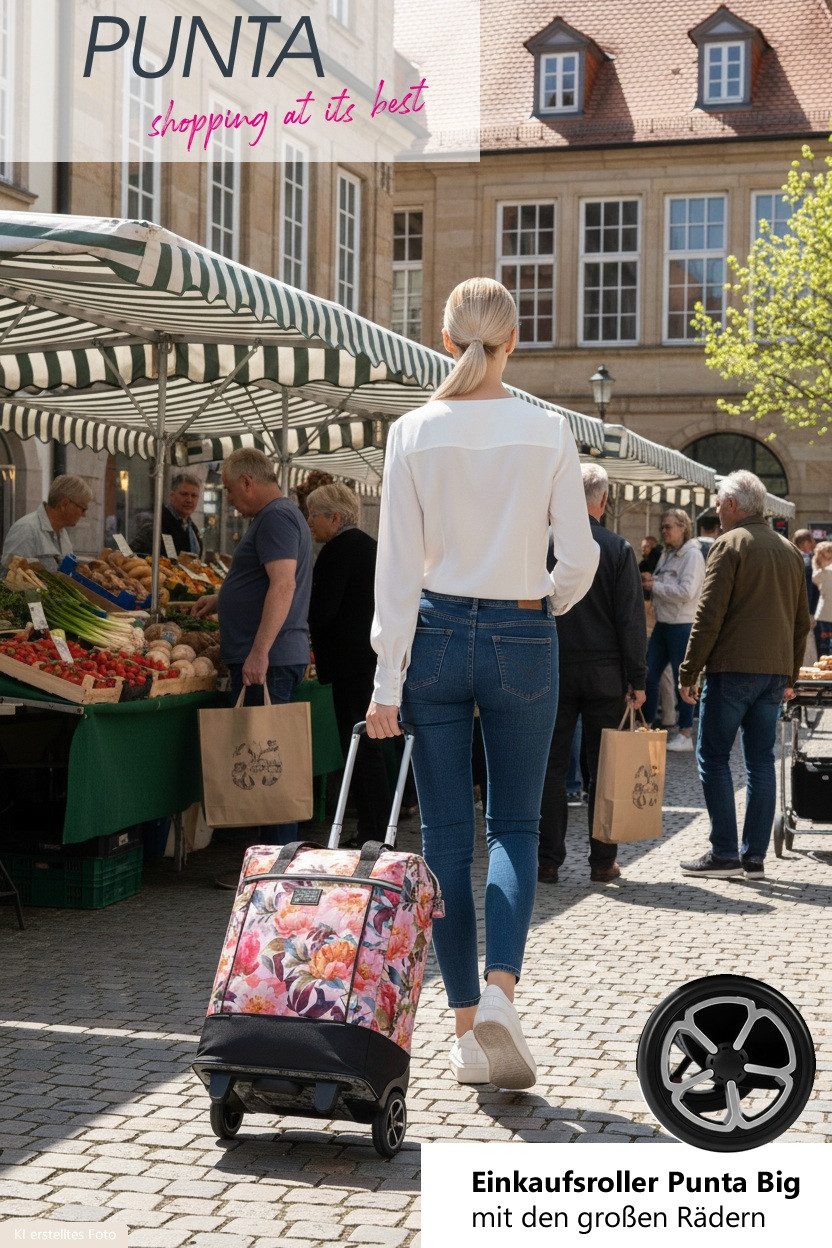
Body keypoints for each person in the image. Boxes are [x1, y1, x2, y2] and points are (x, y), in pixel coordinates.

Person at [365, 277, 598, 1091]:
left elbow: (395, 566)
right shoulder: (548, 431)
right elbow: (581, 558)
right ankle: (501, 991)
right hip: (521, 632)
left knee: (444, 842)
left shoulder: (411, 432)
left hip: (431, 636)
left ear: (442, 337)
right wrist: (545, 602)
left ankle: (466, 1029)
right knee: (515, 830)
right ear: (514, 341)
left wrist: (386, 681)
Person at [678, 471, 810, 880]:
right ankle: (753, 858)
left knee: (713, 757)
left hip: (732, 669)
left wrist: (689, 670)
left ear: (734, 505)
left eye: (719, 502)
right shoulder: (789, 550)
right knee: (760, 763)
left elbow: (708, 615)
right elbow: (801, 621)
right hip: (772, 674)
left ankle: (723, 853)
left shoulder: (730, 544)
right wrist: (789, 675)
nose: (716, 509)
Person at [193, 448, 312, 869]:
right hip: (275, 655)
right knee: (265, 765)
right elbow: (268, 583)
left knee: (267, 770)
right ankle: (269, 866)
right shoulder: (281, 515)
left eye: (228, 490)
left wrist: (259, 651)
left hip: (271, 659)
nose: (229, 500)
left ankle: (274, 871)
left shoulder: (276, 517)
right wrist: (222, 598)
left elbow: (282, 586)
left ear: (248, 482)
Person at [538, 464, 647, 885]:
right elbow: (631, 621)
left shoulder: (545, 543)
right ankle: (603, 862)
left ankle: (548, 860)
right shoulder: (617, 547)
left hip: (553, 667)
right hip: (605, 675)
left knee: (550, 765)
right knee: (605, 768)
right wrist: (637, 681)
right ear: (602, 501)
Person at [306, 481, 391, 845]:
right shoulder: (372, 547)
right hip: (369, 659)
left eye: (314, 515)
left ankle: (372, 830)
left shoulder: (338, 551)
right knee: (371, 744)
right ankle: (378, 824)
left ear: (334, 517)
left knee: (359, 744)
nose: (309, 522)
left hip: (347, 662)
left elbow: (322, 611)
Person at [641, 509, 705, 752]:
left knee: (684, 680)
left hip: (682, 624)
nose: (664, 531)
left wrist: (655, 584)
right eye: (663, 527)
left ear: (683, 527)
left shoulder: (693, 556)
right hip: (663, 623)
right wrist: (652, 582)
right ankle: (645, 726)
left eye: (669, 527)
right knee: (648, 674)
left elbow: (686, 592)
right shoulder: (667, 554)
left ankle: (686, 733)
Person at [1, 475, 92, 572]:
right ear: (64, 504)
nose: (84, 515)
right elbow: (8, 578)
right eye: (83, 508)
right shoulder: (26, 529)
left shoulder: (62, 532)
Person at [132, 472, 202, 555]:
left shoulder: (192, 528)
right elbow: (134, 556)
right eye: (184, 494)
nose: (189, 500)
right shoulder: (154, 522)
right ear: (172, 496)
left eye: (194, 496)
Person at [812, 540, 832, 657]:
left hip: (824, 614)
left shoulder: (822, 573)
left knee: (824, 646)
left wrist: (816, 563)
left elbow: (815, 578)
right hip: (826, 614)